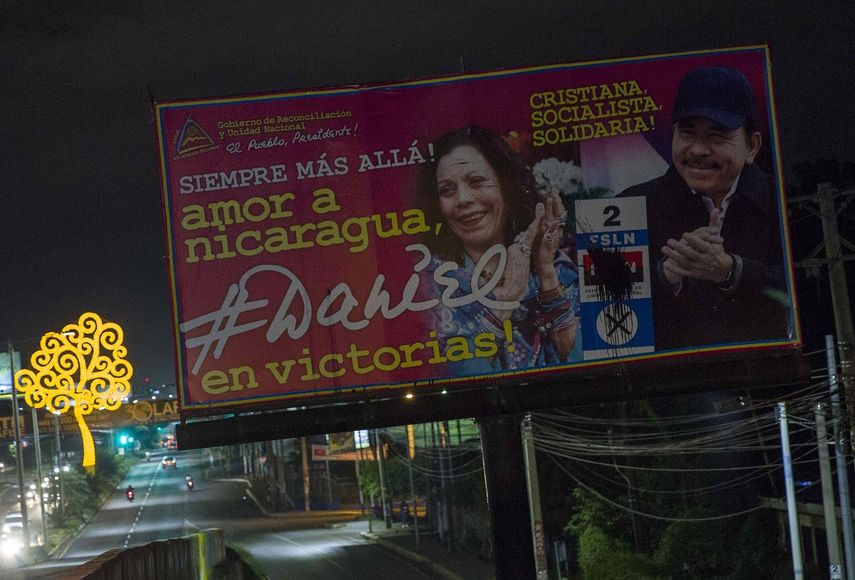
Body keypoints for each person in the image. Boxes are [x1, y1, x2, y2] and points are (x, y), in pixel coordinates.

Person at [620, 66, 789, 349]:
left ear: (752, 146)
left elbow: (815, 289)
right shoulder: (627, 206)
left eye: (717, 134)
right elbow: (602, 309)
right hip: (667, 385)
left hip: (772, 381)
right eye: (687, 133)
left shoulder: (784, 201)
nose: (698, 150)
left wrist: (732, 271)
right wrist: (665, 276)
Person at [416, 125, 582, 372]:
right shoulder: (430, 284)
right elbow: (464, 382)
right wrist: (505, 300)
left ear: (506, 185)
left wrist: (546, 274)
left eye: (476, 181)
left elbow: (585, 364)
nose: (463, 199)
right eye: (447, 190)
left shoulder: (557, 268)